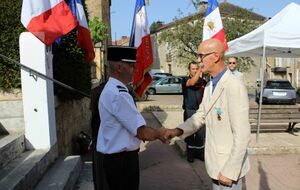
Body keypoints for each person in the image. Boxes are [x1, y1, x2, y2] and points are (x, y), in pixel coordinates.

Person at [165, 39, 251, 190]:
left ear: (216, 56)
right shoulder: (210, 84)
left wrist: (230, 171)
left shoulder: (234, 86)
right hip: (215, 165)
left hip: (228, 169)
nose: (199, 61)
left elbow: (243, 135)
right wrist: (177, 131)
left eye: (201, 56)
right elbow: (201, 115)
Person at [96, 46, 168, 190]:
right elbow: (141, 132)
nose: (135, 70)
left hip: (117, 160)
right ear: (119, 67)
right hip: (121, 162)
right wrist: (159, 133)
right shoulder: (118, 94)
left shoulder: (112, 88)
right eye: (131, 66)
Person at [181, 61, 207, 162]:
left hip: (200, 111)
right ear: (189, 70)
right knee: (190, 134)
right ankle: (190, 154)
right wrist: (200, 69)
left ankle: (199, 153)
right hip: (189, 111)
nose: (195, 71)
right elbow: (192, 82)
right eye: (193, 69)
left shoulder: (203, 82)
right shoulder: (185, 80)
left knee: (201, 134)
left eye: (197, 68)